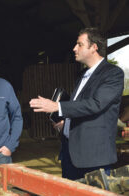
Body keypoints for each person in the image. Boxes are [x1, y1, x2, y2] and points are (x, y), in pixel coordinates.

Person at [29, 27, 124, 180]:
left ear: (94, 47)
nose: (74, 48)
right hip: (70, 153)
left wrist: (57, 106)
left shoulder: (113, 73)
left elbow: (96, 104)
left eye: (79, 44)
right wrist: (65, 123)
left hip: (93, 156)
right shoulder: (82, 75)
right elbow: (81, 108)